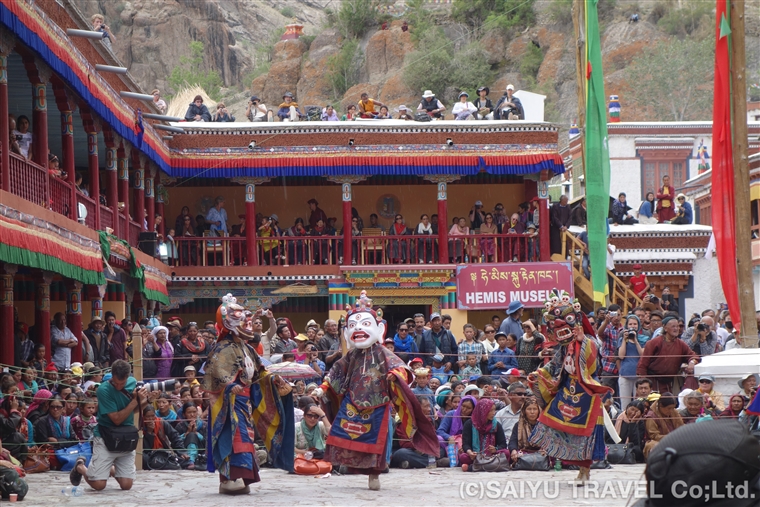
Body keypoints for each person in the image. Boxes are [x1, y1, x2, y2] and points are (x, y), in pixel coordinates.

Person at [311, 291, 438, 490]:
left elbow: (402, 369)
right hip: (353, 400)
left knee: (375, 443)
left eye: (364, 324)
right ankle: (347, 465)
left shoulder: (383, 352)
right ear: (346, 333)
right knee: (340, 433)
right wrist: (322, 389)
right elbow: (335, 373)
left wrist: (394, 376)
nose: (358, 328)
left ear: (380, 329)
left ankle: (374, 475)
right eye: (353, 326)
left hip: (377, 403)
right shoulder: (352, 355)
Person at [204, 295, 294, 495]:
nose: (248, 322)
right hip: (229, 404)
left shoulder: (246, 347)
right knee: (234, 438)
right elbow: (214, 375)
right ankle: (228, 478)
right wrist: (229, 387)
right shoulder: (221, 348)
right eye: (242, 318)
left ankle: (241, 477)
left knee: (246, 439)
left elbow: (260, 371)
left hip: (245, 403)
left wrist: (274, 379)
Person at [528, 293, 611, 484]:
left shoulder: (588, 341)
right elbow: (556, 365)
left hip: (587, 393)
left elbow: (592, 363)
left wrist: (583, 342)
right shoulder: (564, 347)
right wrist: (538, 373)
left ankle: (585, 471)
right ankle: (577, 467)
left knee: (587, 434)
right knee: (554, 421)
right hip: (567, 390)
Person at [69, 360, 146, 490]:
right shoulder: (103, 390)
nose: (118, 386)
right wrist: (134, 401)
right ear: (111, 375)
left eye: (122, 384)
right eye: (115, 383)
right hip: (106, 436)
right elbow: (116, 419)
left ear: (128, 377)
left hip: (126, 437)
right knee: (99, 485)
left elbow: (135, 410)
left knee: (127, 485)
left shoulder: (133, 384)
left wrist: (147, 400)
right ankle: (80, 466)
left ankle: (108, 468)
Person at [460, 398, 508, 469]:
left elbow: (503, 444)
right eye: (490, 410)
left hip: (492, 456)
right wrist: (470, 452)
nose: (493, 413)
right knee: (463, 457)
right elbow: (465, 444)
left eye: (494, 410)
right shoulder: (469, 424)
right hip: (476, 455)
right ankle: (490, 466)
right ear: (482, 411)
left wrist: (495, 449)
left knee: (506, 453)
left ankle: (473, 467)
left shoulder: (496, 425)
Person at [618, 315, 647, 409]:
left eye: (635, 324)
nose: (632, 326)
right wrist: (624, 340)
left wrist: (636, 341)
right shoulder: (622, 339)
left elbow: (643, 355)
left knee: (639, 404)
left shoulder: (644, 339)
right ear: (626, 325)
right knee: (625, 404)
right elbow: (621, 356)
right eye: (630, 324)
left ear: (638, 325)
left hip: (639, 376)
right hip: (625, 374)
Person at [643, 394, 683, 458]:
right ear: (661, 406)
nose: (671, 410)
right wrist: (671, 438)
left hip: (676, 440)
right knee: (654, 446)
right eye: (669, 408)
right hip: (657, 442)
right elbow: (654, 436)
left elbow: (682, 427)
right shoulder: (651, 416)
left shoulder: (673, 412)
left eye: (673, 408)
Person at [508, 397, 544, 464]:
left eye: (535, 409)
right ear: (524, 411)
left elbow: (550, 441)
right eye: (529, 409)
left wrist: (545, 449)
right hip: (524, 452)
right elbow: (513, 441)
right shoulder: (518, 425)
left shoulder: (544, 425)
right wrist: (513, 450)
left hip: (541, 453)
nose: (532, 412)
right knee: (507, 453)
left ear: (539, 410)